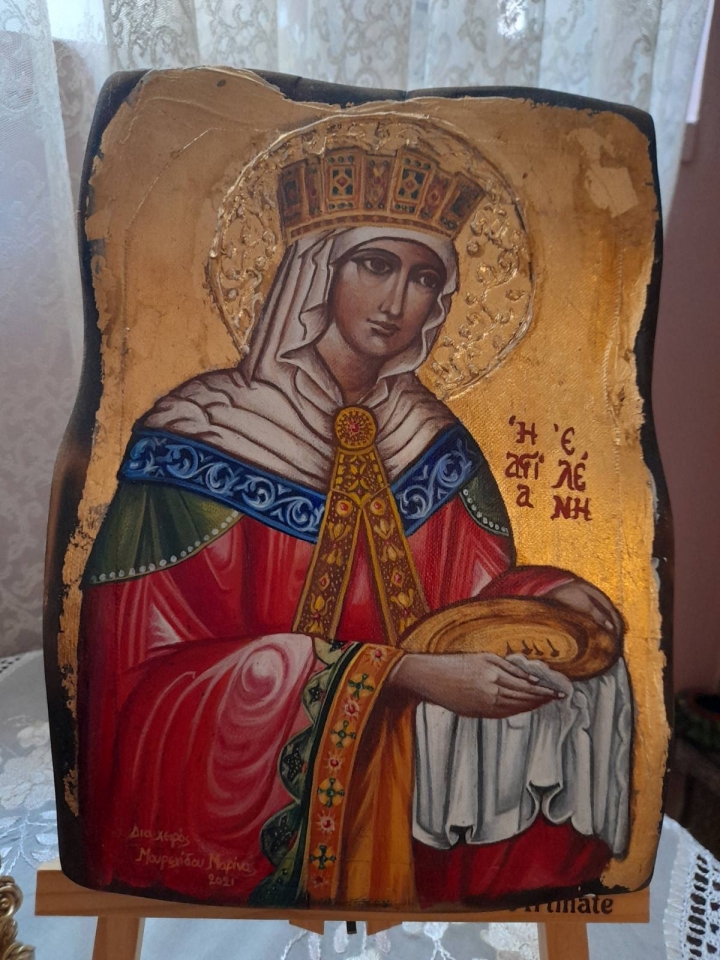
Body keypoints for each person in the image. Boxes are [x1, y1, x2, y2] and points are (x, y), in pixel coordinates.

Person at [77, 147, 632, 908]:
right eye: (375, 265)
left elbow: (472, 601)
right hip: (258, 778)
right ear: (316, 271)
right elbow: (141, 684)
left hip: (419, 777)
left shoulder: (432, 441)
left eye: (424, 277)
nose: (397, 301)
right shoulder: (198, 438)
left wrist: (547, 595)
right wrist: (395, 676)